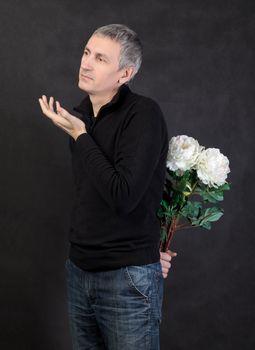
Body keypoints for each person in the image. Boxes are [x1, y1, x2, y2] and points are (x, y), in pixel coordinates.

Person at [38, 23, 177, 350]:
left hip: (126, 278)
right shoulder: (81, 115)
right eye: (87, 53)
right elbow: (92, 197)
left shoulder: (143, 115)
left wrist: (80, 136)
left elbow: (124, 195)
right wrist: (81, 131)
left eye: (100, 59)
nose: (86, 63)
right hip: (79, 271)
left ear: (124, 74)